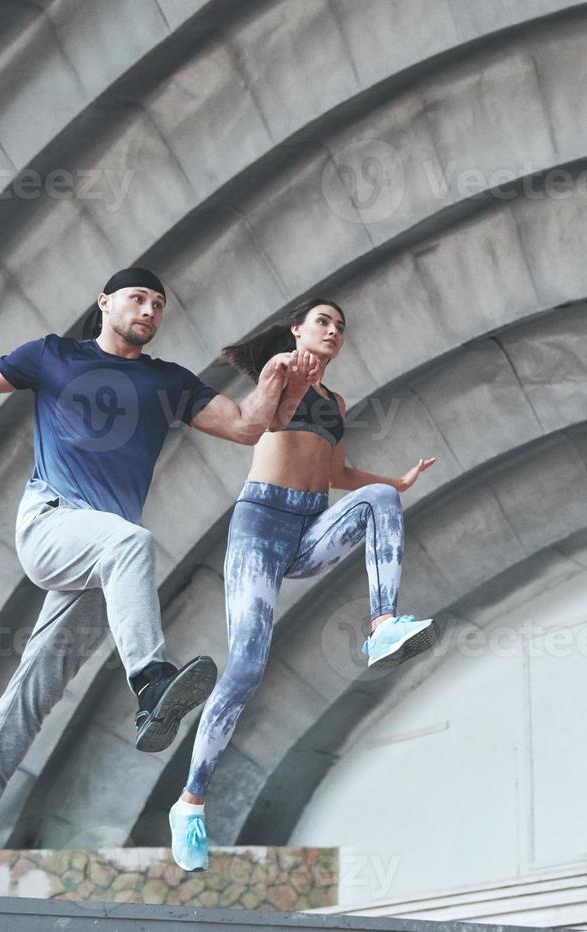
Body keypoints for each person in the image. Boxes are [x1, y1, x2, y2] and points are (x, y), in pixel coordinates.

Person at [0, 267, 321, 896]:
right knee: (132, 541)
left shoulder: (169, 382)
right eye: (138, 298)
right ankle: (152, 682)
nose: (150, 310)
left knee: (37, 686)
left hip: (97, 561)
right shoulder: (52, 356)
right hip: (53, 523)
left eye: (159, 304)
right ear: (105, 303)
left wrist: (283, 391)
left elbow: (245, 426)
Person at [167, 297, 438, 873]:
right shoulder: (280, 371)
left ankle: (384, 626)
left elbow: (338, 475)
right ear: (297, 329)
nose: (334, 330)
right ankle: (190, 805)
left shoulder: (336, 401)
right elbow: (255, 423)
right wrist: (285, 379)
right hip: (260, 527)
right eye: (324, 322)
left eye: (341, 326)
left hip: (311, 525)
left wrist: (397, 481)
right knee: (245, 668)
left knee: (381, 500)